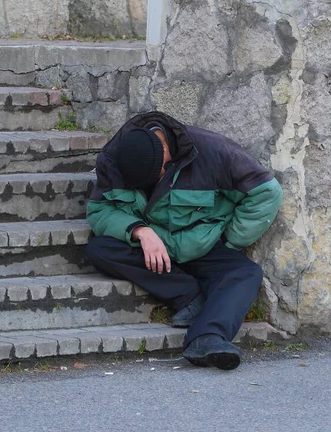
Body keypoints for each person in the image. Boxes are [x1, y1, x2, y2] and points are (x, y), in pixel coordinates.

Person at [85, 111, 282, 370]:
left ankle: (207, 337)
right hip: (152, 249)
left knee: (246, 273)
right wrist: (140, 231)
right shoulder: (115, 158)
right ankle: (187, 296)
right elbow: (99, 212)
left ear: (166, 150)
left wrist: (228, 241)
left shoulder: (214, 152)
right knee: (99, 249)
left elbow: (266, 193)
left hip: (203, 244)